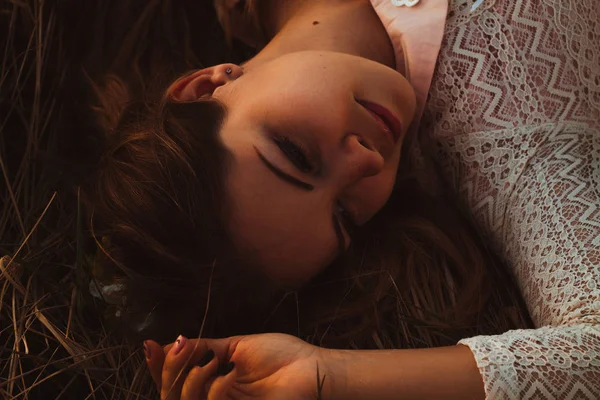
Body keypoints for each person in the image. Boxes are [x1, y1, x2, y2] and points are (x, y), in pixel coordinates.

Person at [82, 0, 600, 398]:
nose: (367, 164)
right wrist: (333, 377)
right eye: (344, 216)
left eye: (297, 154)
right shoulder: (513, 130)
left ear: (202, 87)